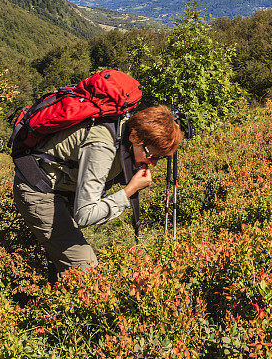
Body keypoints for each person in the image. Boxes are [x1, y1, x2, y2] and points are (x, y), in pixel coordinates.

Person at [12, 104, 184, 283]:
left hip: (63, 190)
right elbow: (85, 215)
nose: (153, 163)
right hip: (38, 190)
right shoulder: (101, 146)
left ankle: (55, 301)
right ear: (134, 136)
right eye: (152, 156)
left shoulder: (125, 130)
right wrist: (129, 191)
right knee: (87, 271)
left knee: (65, 264)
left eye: (159, 158)